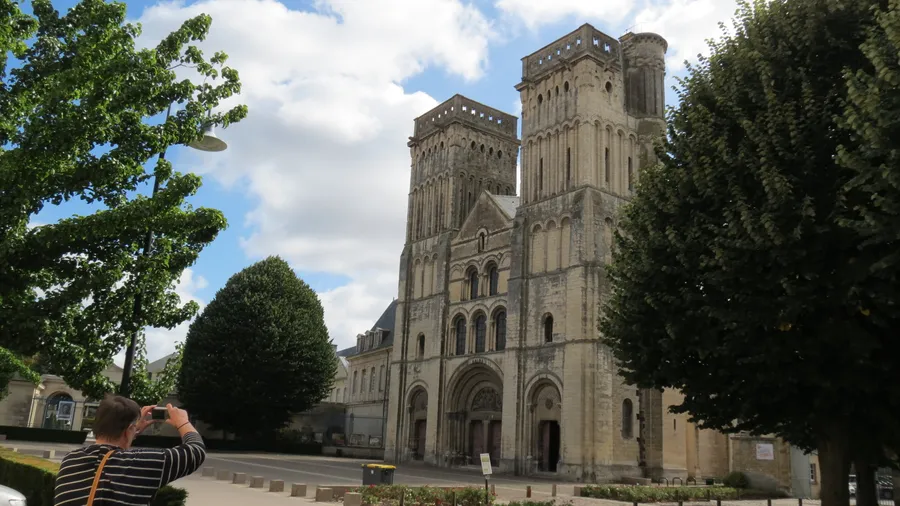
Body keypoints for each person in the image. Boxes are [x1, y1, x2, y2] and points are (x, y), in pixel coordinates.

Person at [54, 395, 206, 506]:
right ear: (128, 431)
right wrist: (183, 422)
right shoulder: (140, 463)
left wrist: (133, 430)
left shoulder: (70, 460)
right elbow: (196, 451)